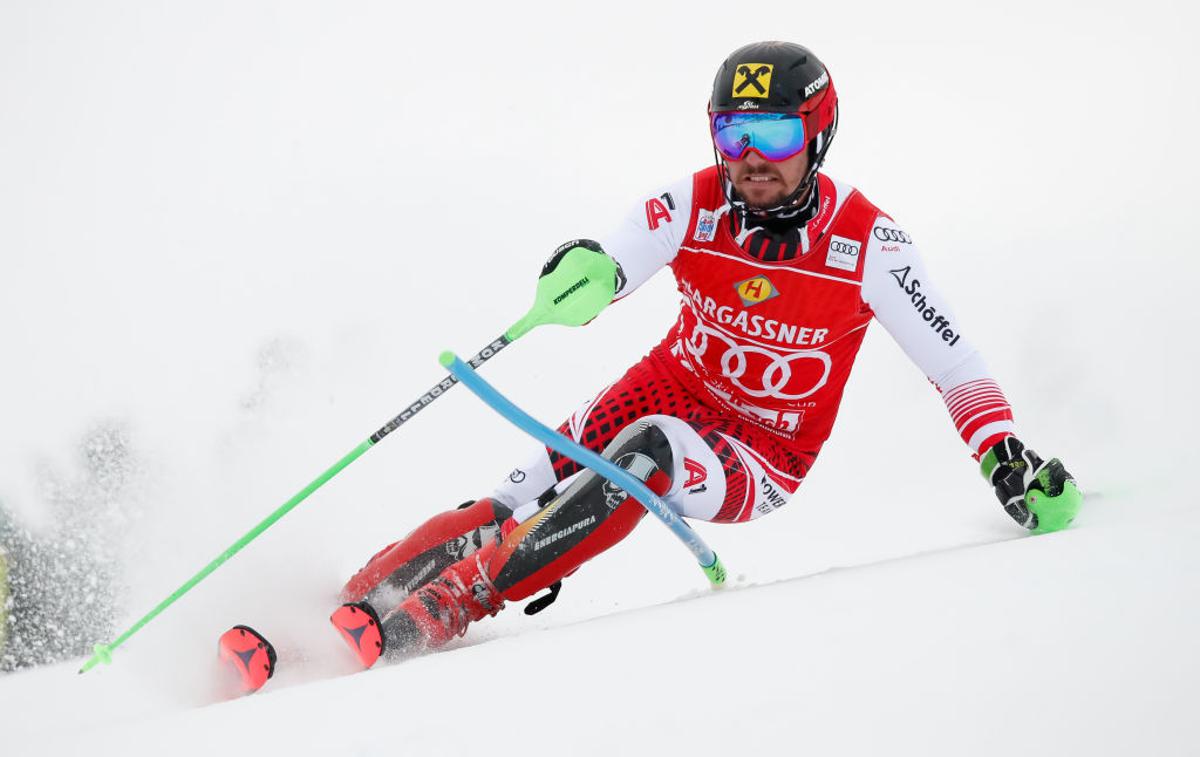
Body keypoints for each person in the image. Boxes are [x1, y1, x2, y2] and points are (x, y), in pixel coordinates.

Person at [330, 41, 1081, 667]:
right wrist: (588, 272)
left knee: (643, 456)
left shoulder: (869, 245)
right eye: (733, 135)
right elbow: (619, 257)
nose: (753, 159)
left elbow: (952, 362)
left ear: (819, 135)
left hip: (761, 451)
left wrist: (1000, 453)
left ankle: (450, 605)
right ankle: (348, 607)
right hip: (663, 388)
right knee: (511, 502)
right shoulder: (693, 203)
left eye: (778, 136)